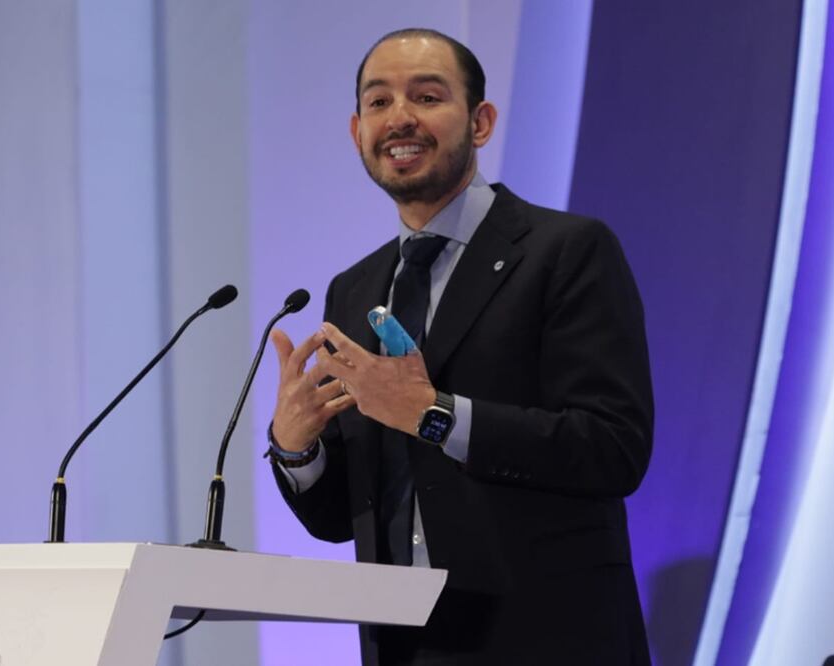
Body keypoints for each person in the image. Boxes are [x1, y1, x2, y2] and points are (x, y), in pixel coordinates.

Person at [267, 27, 654, 666]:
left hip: (547, 639)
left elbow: (613, 448)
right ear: (356, 131)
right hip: (406, 646)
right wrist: (297, 446)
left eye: (426, 96)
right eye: (379, 102)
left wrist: (434, 415)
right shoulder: (353, 289)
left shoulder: (565, 252)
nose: (400, 119)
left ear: (480, 122)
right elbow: (342, 517)